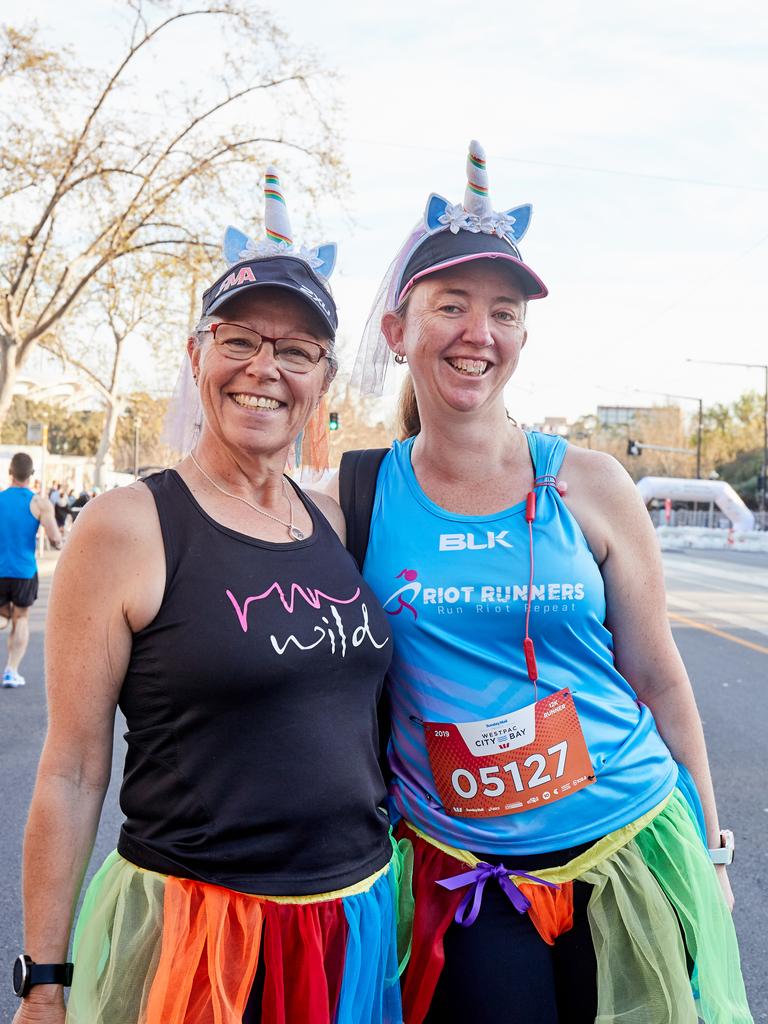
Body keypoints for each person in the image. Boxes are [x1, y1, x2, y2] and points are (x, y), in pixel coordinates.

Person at [332, 142, 753, 1023]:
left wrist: (712, 852)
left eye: (505, 311)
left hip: (630, 841)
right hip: (465, 873)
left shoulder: (591, 483)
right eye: (450, 305)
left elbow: (659, 675)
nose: (477, 333)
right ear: (398, 330)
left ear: (522, 335)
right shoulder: (354, 497)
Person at [12, 170, 403, 1024]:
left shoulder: (336, 520)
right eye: (239, 341)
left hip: (352, 919)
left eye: (295, 351)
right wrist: (44, 979)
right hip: (199, 937)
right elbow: (74, 769)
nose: (265, 369)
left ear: (322, 382)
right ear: (198, 357)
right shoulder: (129, 526)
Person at [1, 452, 62, 688]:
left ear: (10, 473)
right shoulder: (39, 503)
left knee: (4, 616)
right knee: (22, 617)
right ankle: (11, 670)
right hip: (24, 571)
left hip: (0, 570)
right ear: (31, 475)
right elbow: (55, 538)